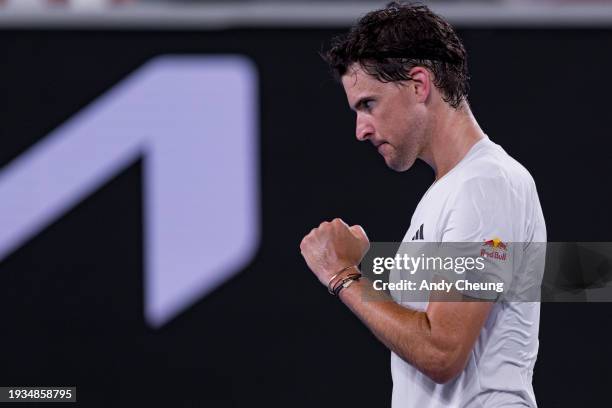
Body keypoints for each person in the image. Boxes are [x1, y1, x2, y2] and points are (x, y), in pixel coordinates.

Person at [299, 2, 546, 407]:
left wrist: (342, 275)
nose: (361, 130)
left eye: (368, 104)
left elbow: (442, 352)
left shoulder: (485, 185)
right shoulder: (453, 190)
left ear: (419, 84)